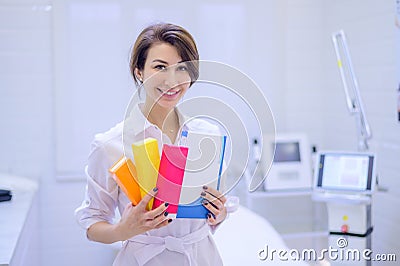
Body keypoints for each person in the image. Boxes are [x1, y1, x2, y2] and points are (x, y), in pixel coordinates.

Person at [75, 22, 235, 266]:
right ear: (139, 71)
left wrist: (218, 213)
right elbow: (92, 222)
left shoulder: (208, 136)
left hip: (202, 258)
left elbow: (212, 212)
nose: (172, 81)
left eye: (182, 68)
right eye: (160, 67)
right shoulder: (110, 145)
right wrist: (123, 230)